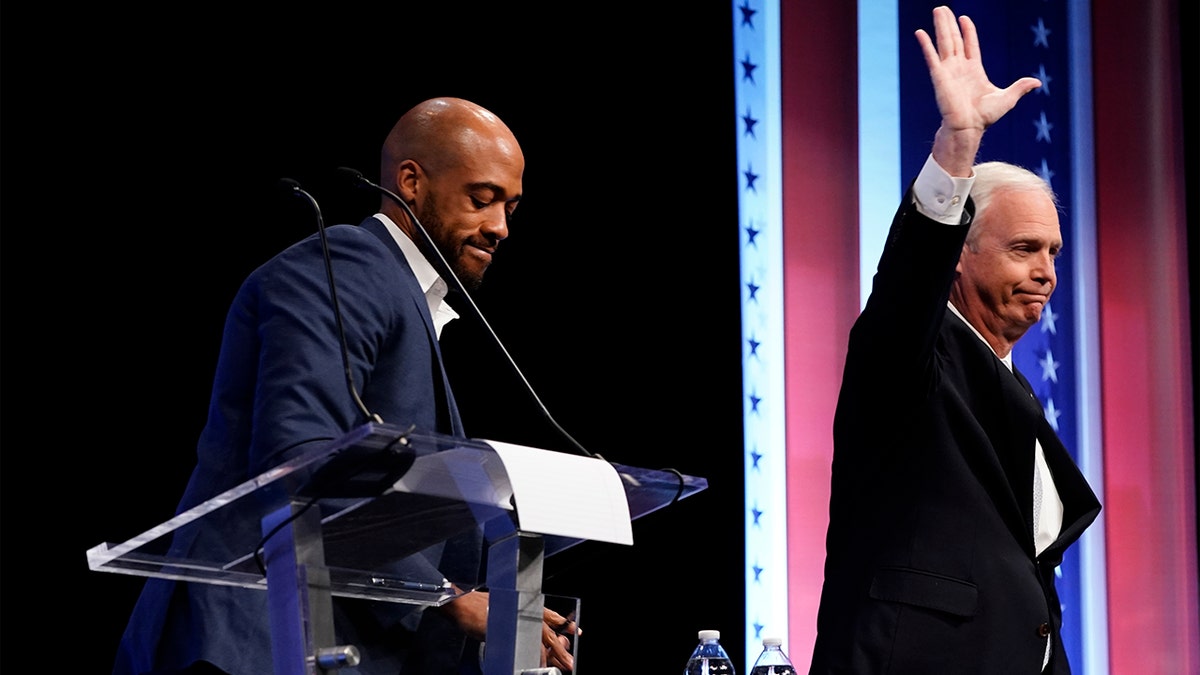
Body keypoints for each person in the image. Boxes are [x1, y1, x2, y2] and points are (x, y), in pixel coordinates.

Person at [112, 97, 577, 675]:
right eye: (481, 199)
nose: (500, 227)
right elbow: (302, 462)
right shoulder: (344, 267)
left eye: (511, 206)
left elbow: (408, 513)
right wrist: (450, 598)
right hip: (248, 641)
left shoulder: (402, 295)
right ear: (410, 181)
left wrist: (528, 566)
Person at [808, 7, 1101, 675]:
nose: (1046, 273)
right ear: (959, 258)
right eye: (1024, 248)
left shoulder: (1009, 382)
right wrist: (957, 145)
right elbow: (908, 283)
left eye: (1054, 252)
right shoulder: (910, 355)